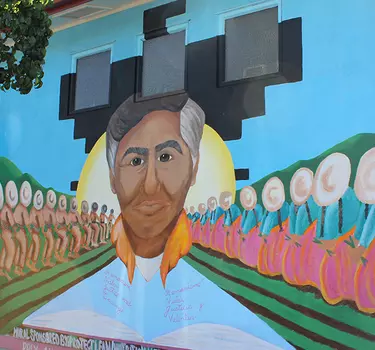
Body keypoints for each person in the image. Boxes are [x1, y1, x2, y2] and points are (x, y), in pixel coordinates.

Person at [25, 94, 293, 350]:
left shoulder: (238, 319)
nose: (151, 184)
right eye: (135, 160)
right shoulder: (56, 312)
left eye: (166, 157)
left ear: (194, 169)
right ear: (112, 178)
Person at [13, 181, 32, 276]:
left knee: (18, 249)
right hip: (21, 232)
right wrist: (29, 231)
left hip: (16, 232)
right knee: (23, 249)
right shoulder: (23, 209)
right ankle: (19, 268)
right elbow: (27, 223)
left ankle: (16, 268)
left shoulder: (17, 207)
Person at [0, 181, 17, 280]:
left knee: (5, 250)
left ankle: (1, 269)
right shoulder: (6, 210)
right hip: (7, 233)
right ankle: (6, 270)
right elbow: (11, 223)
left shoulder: (4, 209)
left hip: (5, 233)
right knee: (11, 251)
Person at [27, 190, 44, 272]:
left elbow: (41, 223)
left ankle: (28, 261)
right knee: (36, 245)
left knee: (33, 246)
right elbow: (31, 222)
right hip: (33, 231)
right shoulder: (34, 210)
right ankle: (32, 264)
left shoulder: (38, 210)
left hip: (35, 231)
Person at [42, 190, 57, 267]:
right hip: (47, 229)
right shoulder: (50, 210)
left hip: (44, 228)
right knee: (51, 242)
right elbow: (54, 222)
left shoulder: (43, 208)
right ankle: (47, 260)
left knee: (47, 243)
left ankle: (43, 259)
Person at [55, 195, 69, 263]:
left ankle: (57, 253)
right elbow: (67, 223)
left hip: (58, 230)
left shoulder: (57, 211)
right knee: (65, 239)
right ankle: (61, 255)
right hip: (60, 230)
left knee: (59, 238)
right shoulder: (63, 212)